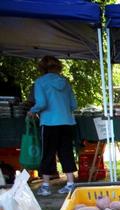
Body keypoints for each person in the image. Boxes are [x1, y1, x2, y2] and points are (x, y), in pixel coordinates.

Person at [27, 56, 77, 196]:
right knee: (66, 152)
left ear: (42, 68)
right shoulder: (65, 82)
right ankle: (70, 183)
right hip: (67, 122)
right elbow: (74, 105)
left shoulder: (40, 82)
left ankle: (45, 186)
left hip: (49, 122)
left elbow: (42, 103)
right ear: (58, 67)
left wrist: (32, 111)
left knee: (48, 153)